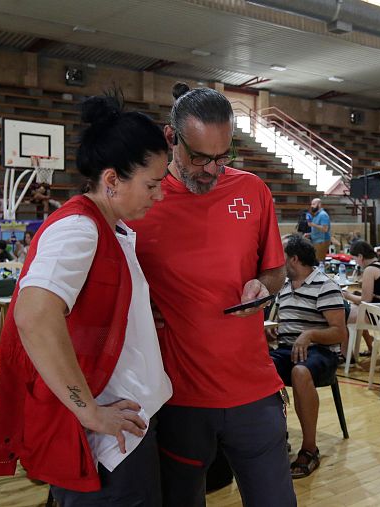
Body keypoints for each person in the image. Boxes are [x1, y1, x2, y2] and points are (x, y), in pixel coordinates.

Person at [0, 95, 173, 504]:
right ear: (113, 179)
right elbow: (33, 316)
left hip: (124, 426)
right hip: (108, 437)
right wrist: (89, 412)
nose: (160, 195)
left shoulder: (106, 227)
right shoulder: (80, 229)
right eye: (152, 185)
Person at [127, 82, 294, 506]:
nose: (213, 170)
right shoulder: (141, 202)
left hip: (254, 390)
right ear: (171, 139)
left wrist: (265, 287)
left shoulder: (253, 191)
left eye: (224, 157)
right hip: (177, 396)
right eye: (200, 157)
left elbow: (274, 269)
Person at [269, 236, 346, 479]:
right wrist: (274, 328)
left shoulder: (325, 286)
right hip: (288, 348)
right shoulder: (284, 286)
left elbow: (340, 332)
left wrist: (310, 335)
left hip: (321, 353)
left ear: (293, 258)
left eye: (280, 255)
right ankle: (278, 437)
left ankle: (310, 449)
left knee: (300, 372)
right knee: (261, 368)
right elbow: (286, 323)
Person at [342, 241, 380, 357]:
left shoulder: (370, 270)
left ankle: (346, 354)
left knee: (341, 314)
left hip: (377, 313)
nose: (355, 262)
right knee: (354, 308)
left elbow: (365, 300)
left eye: (355, 258)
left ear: (360, 256)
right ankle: (370, 346)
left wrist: (346, 295)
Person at [308, 197, 331, 262]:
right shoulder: (316, 215)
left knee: (319, 261)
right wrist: (310, 234)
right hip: (316, 240)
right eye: (311, 204)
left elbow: (325, 229)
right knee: (317, 260)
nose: (312, 206)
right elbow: (317, 229)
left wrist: (312, 224)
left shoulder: (323, 215)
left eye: (314, 204)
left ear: (319, 205)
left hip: (322, 241)